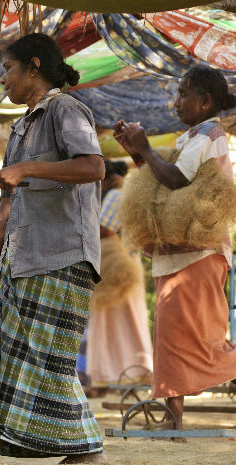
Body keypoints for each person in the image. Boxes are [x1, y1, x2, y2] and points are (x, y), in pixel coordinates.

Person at [0, 33, 106, 465]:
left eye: (7, 68)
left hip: (63, 257)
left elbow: (93, 166)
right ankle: (8, 446)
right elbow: (5, 215)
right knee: (4, 352)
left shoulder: (66, 109)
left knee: (46, 357)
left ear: (34, 67)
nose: (3, 79)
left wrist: (27, 168)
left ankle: (75, 447)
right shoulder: (21, 129)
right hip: (24, 258)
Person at [114, 65, 236, 430]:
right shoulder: (193, 137)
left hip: (199, 255)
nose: (176, 102)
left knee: (201, 338)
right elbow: (165, 182)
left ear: (205, 101)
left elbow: (176, 179)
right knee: (171, 336)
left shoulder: (208, 136)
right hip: (180, 255)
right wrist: (137, 152)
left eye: (183, 94)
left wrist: (146, 148)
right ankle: (174, 416)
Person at [83, 160, 153, 393]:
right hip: (125, 265)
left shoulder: (115, 195)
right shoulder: (128, 193)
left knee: (111, 322)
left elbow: (105, 230)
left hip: (117, 267)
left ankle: (113, 377)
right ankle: (125, 375)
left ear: (108, 179)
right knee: (127, 322)